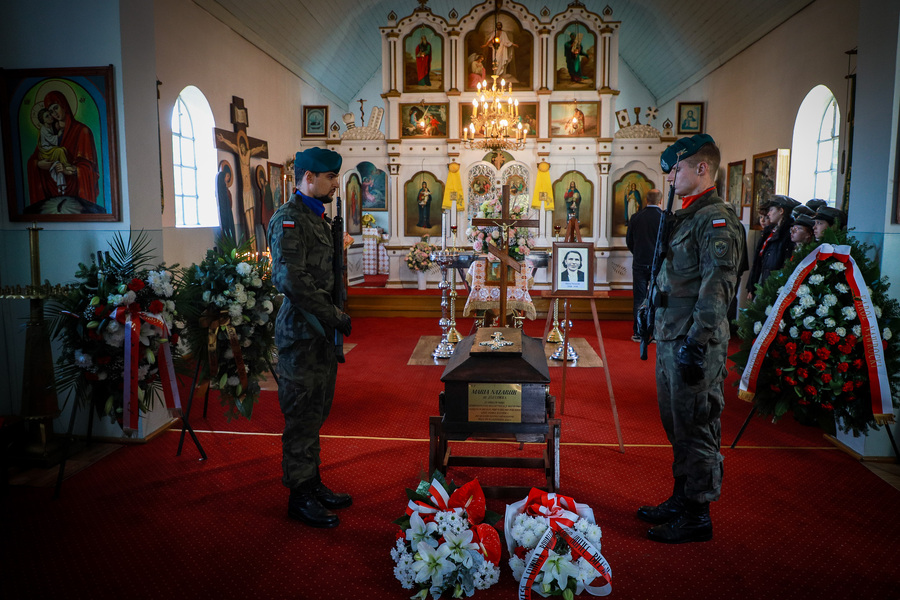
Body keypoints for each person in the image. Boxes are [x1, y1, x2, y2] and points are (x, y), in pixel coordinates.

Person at [636, 134, 744, 544]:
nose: (669, 177)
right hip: (671, 336)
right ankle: (683, 497)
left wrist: (697, 343)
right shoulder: (686, 215)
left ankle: (698, 514)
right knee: (676, 423)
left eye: (676, 169)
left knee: (697, 425)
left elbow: (717, 289)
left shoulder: (716, 220)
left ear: (701, 169)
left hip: (693, 341)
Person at [267, 147, 353, 529]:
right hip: (302, 333)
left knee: (316, 411)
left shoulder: (318, 218)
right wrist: (332, 314)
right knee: (300, 415)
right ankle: (298, 494)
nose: (336, 183)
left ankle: (311, 480)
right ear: (308, 177)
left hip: (321, 333)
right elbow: (290, 278)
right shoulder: (289, 219)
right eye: (331, 177)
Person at [27, 90, 100, 206]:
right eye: (50, 111)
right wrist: (39, 164)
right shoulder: (49, 132)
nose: (54, 113)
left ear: (63, 105)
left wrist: (70, 170)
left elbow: (89, 168)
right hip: (50, 195)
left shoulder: (82, 131)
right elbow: (35, 158)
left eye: (56, 108)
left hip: (75, 195)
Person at [626, 188, 664, 342]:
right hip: (658, 265)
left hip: (640, 262)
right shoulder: (663, 218)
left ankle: (639, 332)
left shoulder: (635, 217)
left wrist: (638, 252)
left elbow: (629, 241)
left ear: (646, 200)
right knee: (657, 298)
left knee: (639, 298)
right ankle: (654, 333)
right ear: (660, 201)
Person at [746, 195, 797, 298]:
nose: (768, 214)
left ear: (781, 211)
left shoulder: (788, 234)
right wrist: (752, 285)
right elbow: (759, 262)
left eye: (771, 210)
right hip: (763, 280)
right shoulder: (770, 231)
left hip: (774, 285)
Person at [37, 107, 71, 194]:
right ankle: (66, 165)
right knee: (59, 151)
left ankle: (65, 165)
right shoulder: (43, 129)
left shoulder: (51, 126)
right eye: (47, 116)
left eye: (50, 114)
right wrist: (58, 135)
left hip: (50, 150)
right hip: (46, 152)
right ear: (43, 120)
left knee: (63, 150)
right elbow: (52, 140)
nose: (50, 117)